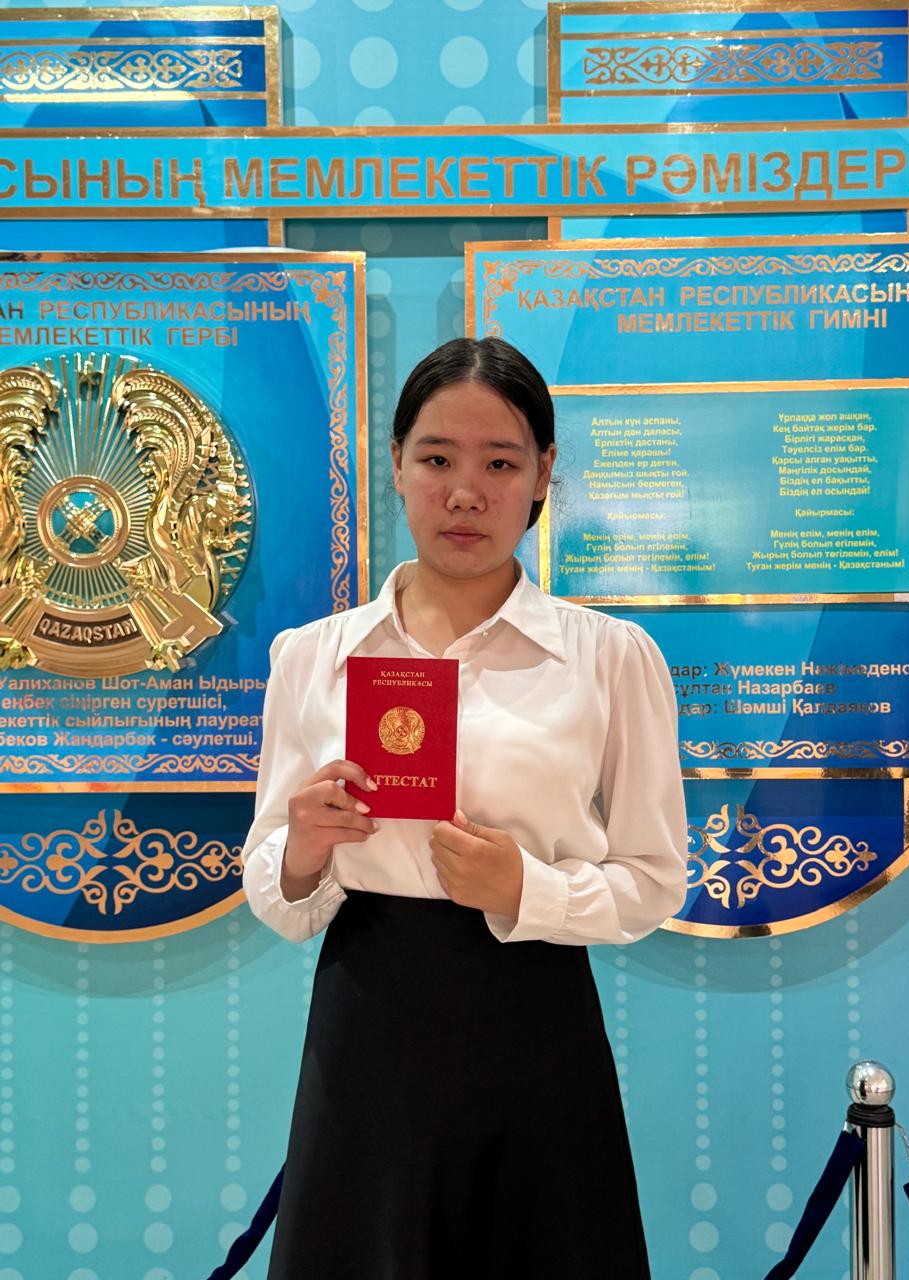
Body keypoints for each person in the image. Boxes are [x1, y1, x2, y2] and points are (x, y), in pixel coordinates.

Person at [241, 336, 689, 1280]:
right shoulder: (313, 658)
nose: (465, 494)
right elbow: (275, 890)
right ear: (396, 465)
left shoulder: (611, 659)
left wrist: (526, 888)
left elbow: (653, 883)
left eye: (501, 464)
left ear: (544, 475)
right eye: (438, 459)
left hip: (536, 1017)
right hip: (365, 1018)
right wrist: (306, 849)